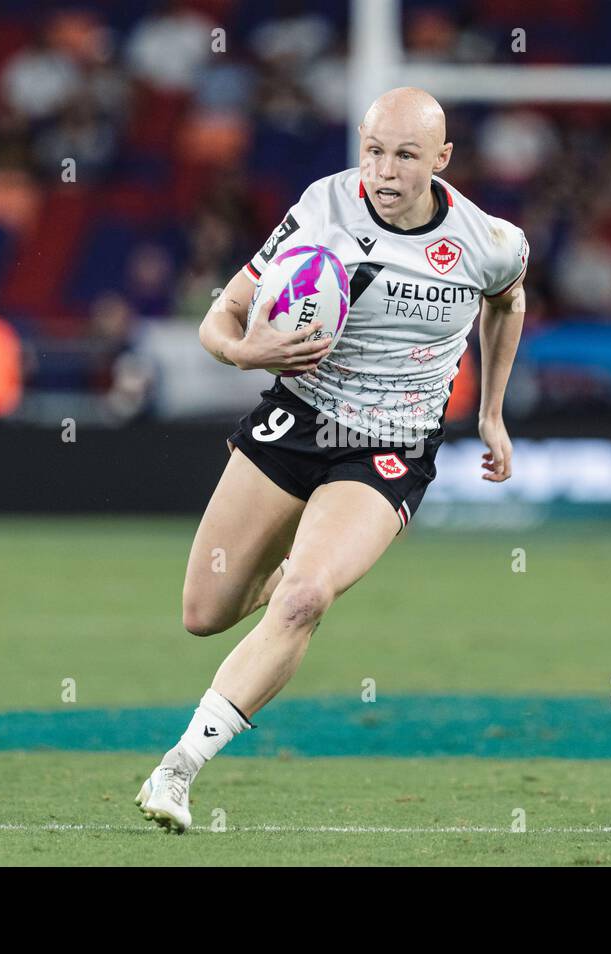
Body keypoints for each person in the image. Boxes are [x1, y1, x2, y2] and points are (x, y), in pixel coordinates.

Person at [136, 87, 529, 832]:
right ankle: (296, 568)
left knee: (306, 598)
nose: (384, 170)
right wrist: (244, 350)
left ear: (441, 160)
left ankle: (178, 770)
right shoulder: (322, 209)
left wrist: (491, 413)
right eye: (374, 150)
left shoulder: (489, 241)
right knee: (204, 612)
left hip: (392, 445)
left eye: (406, 156)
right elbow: (222, 316)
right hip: (297, 418)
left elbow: (507, 301)